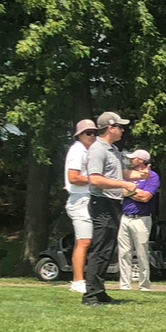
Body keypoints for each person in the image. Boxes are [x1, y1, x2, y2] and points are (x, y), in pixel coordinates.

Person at [82, 112, 144, 306]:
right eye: (120, 126)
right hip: (102, 203)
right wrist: (124, 185)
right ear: (110, 128)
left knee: (108, 249)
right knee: (100, 249)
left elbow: (120, 173)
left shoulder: (113, 150)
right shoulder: (97, 150)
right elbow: (95, 179)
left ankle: (99, 292)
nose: (123, 130)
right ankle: (91, 296)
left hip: (113, 203)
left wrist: (140, 176)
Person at [117, 149, 161, 292]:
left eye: (133, 158)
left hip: (142, 218)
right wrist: (134, 191)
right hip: (125, 217)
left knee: (142, 253)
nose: (130, 160)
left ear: (141, 160)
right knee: (124, 253)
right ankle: (125, 285)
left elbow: (146, 197)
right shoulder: (128, 175)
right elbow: (120, 191)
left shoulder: (152, 176)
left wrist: (129, 191)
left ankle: (144, 285)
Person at [63, 119, 98, 294]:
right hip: (80, 199)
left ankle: (86, 279)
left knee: (86, 241)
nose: (92, 136)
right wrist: (97, 181)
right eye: (88, 133)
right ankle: (77, 281)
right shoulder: (77, 150)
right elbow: (74, 178)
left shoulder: (88, 151)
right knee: (84, 241)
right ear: (79, 135)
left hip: (88, 198)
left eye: (94, 132)